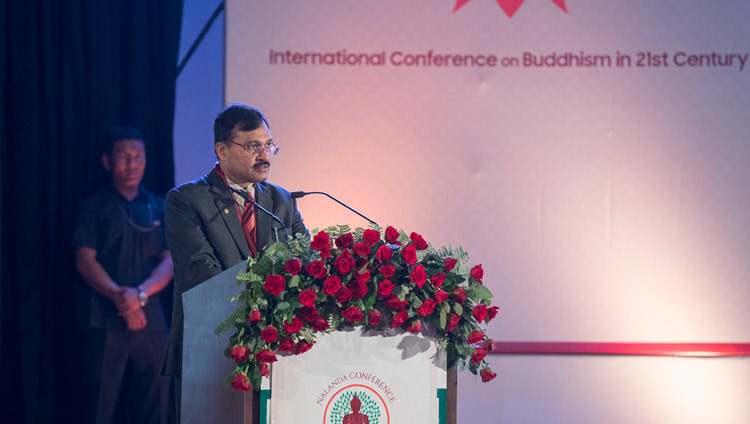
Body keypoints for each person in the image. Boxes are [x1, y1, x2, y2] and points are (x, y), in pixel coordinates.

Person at [162, 104, 308, 420]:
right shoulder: (187, 199)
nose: (265, 155)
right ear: (222, 150)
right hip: (210, 350)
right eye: (253, 146)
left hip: (277, 352)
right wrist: (265, 295)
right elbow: (200, 272)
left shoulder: (281, 200)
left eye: (268, 145)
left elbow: (305, 261)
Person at [73, 126, 173, 424]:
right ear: (107, 161)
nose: (132, 164)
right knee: (98, 408)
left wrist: (140, 295)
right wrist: (120, 295)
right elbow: (84, 261)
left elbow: (170, 262)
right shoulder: (94, 207)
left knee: (156, 405)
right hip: (104, 320)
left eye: (138, 156)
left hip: (151, 320)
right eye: (123, 157)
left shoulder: (160, 206)